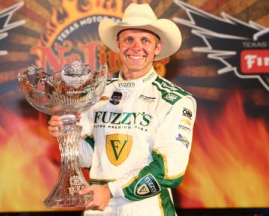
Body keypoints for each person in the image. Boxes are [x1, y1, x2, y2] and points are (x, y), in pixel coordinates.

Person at [48, 3, 197, 216]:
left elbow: (170, 170)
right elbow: (91, 158)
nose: (136, 47)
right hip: (98, 207)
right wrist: (66, 134)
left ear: (157, 48)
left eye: (145, 40)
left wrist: (111, 191)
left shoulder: (175, 100)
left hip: (147, 209)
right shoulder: (94, 92)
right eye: (129, 39)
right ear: (118, 45)